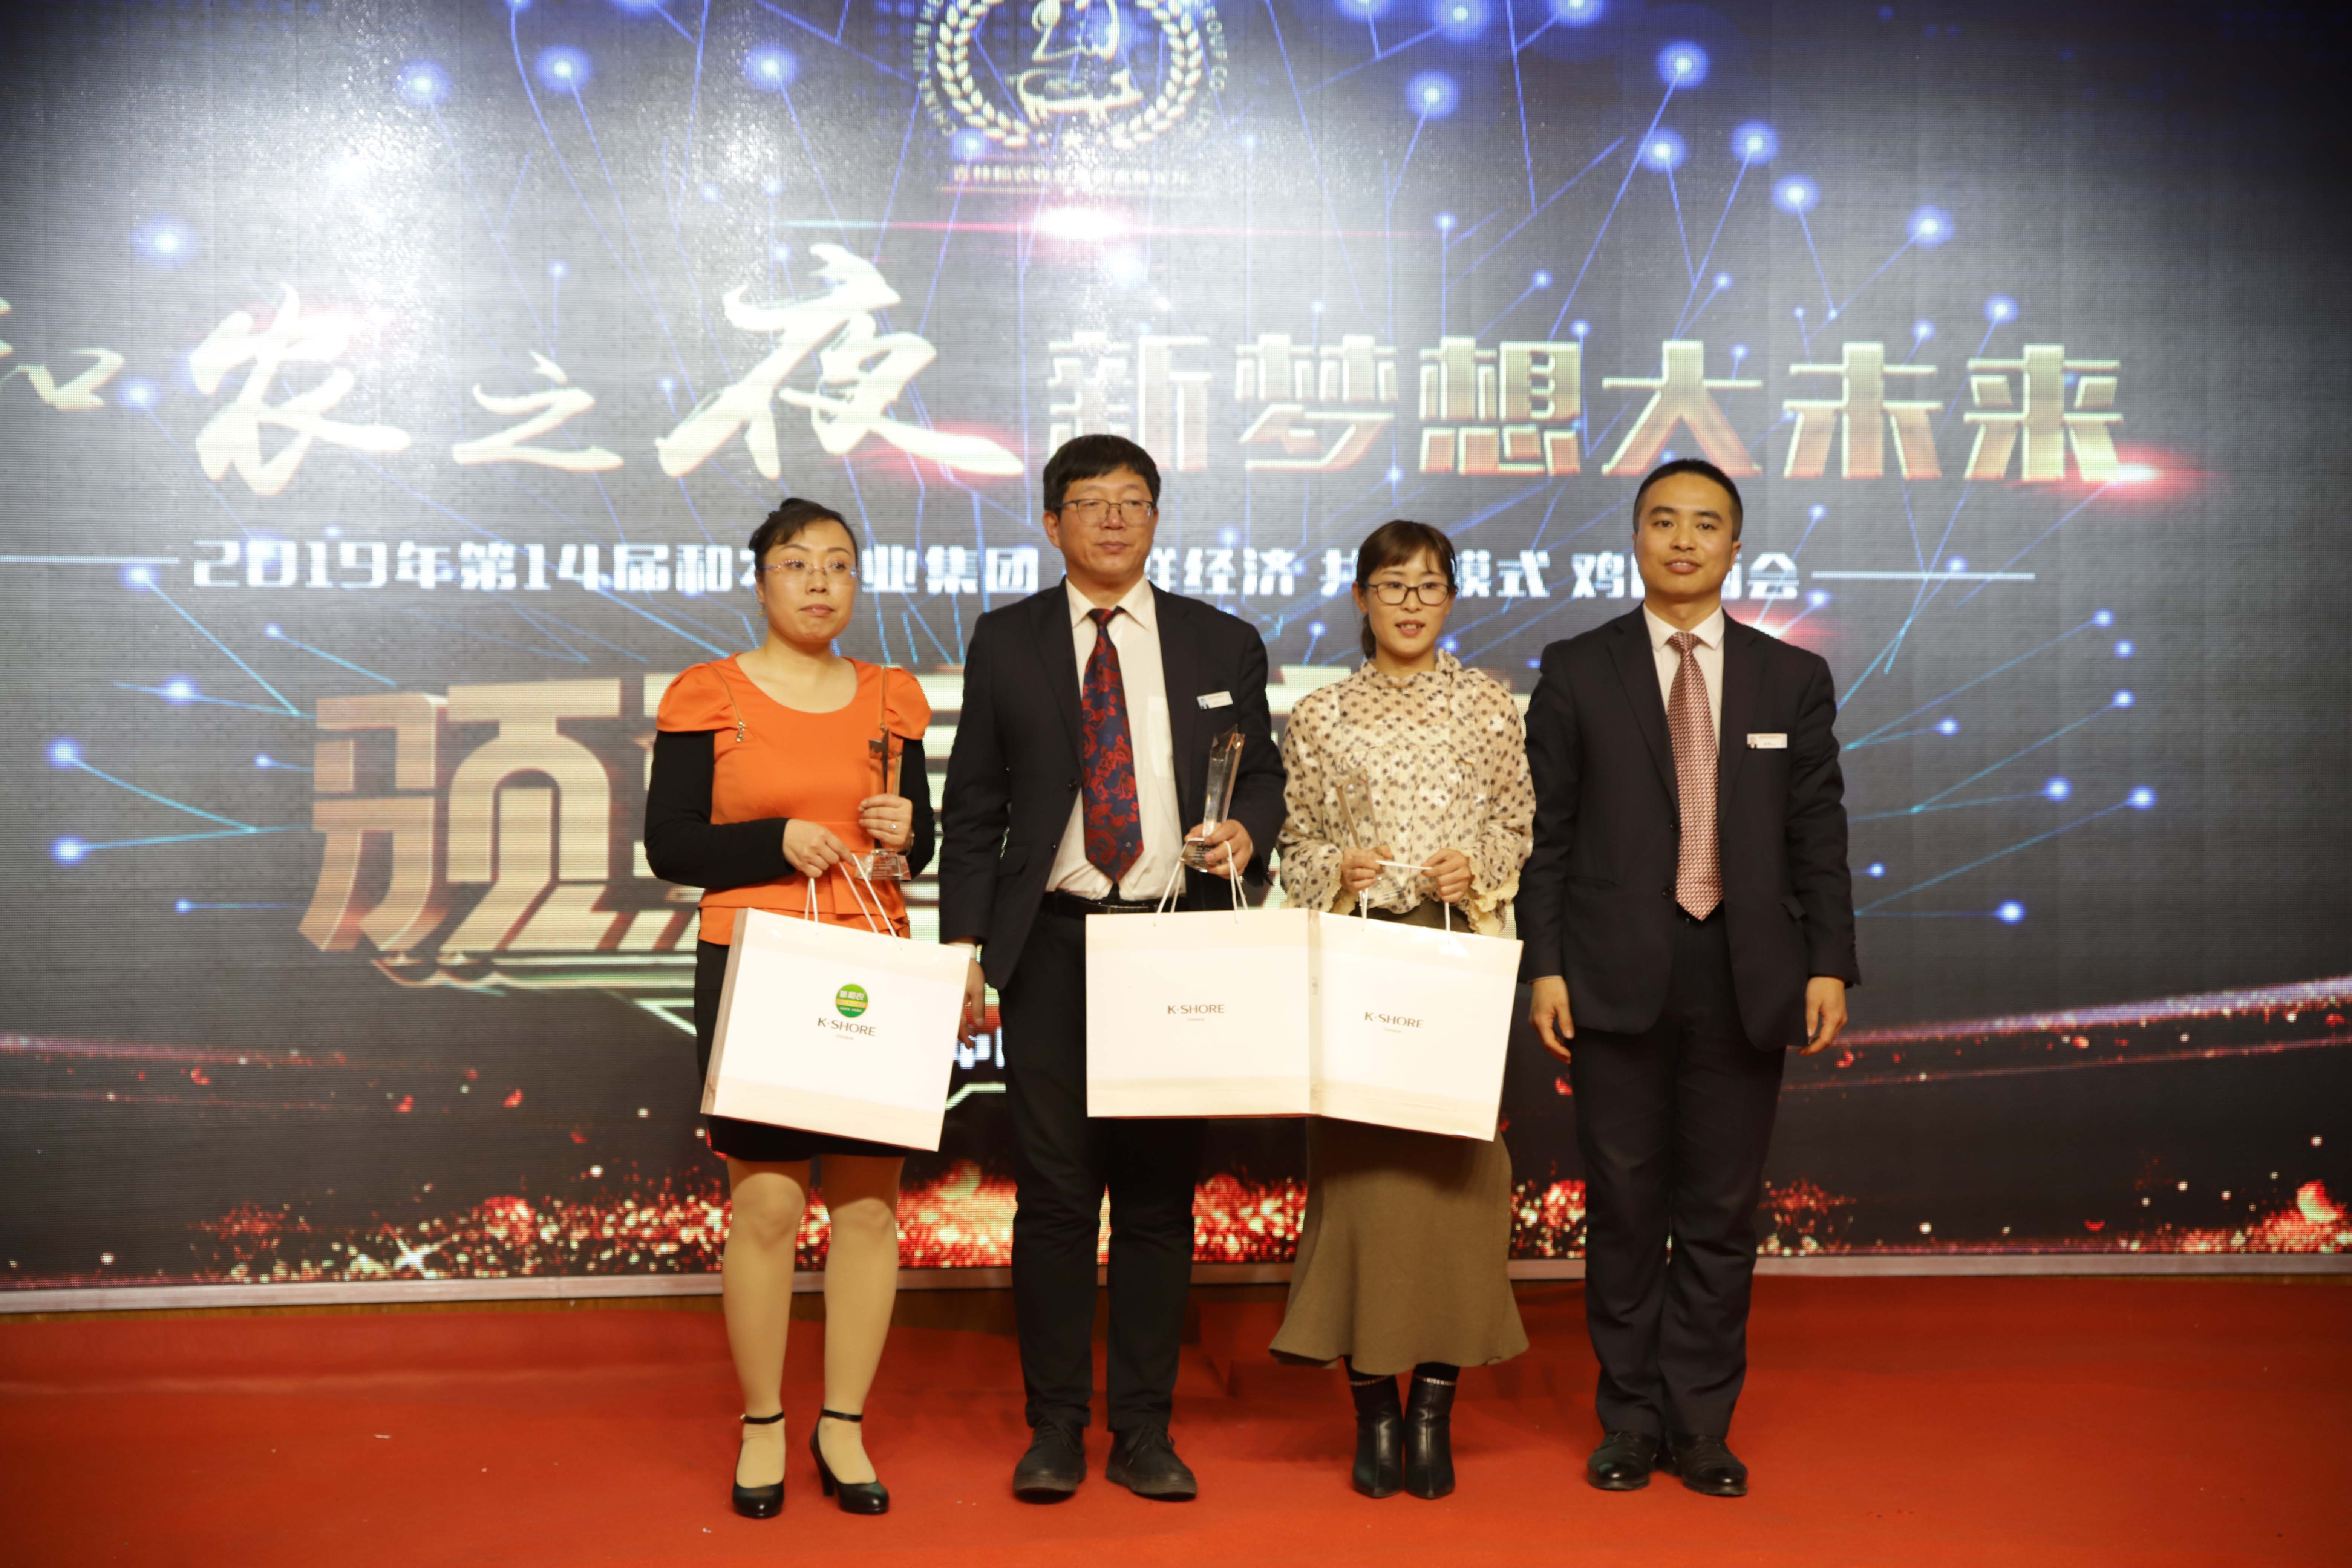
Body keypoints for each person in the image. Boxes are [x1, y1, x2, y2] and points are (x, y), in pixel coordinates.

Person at [937, 434, 1286, 1503]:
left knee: (1155, 1199)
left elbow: (1262, 779)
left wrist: (1249, 835)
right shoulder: (1007, 641)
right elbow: (975, 807)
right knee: (1053, 1196)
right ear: (1054, 524)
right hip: (1052, 941)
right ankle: (1054, 1428)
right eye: (1092, 503)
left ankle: (1143, 1430)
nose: (1115, 519)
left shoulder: (1220, 640)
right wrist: (964, 950)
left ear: (1156, 518)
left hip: (1173, 939)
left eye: (1134, 501)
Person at [1519, 458, 1859, 1498]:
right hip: (1613, 969)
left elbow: (1818, 833)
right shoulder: (1578, 669)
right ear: (1635, 540)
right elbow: (1547, 835)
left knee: (1719, 1210)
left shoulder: (1789, 678)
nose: (1682, 540)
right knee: (1625, 1208)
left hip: (1745, 971)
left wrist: (1830, 962)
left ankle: (1702, 1425)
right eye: (1663, 521)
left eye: (1705, 525)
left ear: (1735, 548)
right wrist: (1545, 966)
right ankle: (1629, 1421)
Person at [643, 497, 934, 1520]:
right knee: (768, 1204)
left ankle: (842, 1423)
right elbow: (671, 844)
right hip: (754, 962)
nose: (820, 582)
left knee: (868, 1207)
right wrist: (773, 841)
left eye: (840, 564)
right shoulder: (708, 693)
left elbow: (918, 846)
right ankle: (764, 1420)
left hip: (871, 960)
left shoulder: (893, 697)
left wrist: (906, 833)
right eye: (798, 563)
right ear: (761, 580)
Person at [1267, 520, 1535, 1501]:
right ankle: (1374, 1413)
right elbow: (1294, 845)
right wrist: (1333, 869)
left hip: (1460, 957)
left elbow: (1517, 823)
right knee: (1363, 1188)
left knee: (1458, 1187)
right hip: (1359, 962)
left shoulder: (1489, 705)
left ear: (1451, 598)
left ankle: (1433, 1415)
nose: (1411, 604)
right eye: (1392, 585)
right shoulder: (1322, 715)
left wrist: (1480, 864)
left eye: (1429, 586)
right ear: (1361, 598)